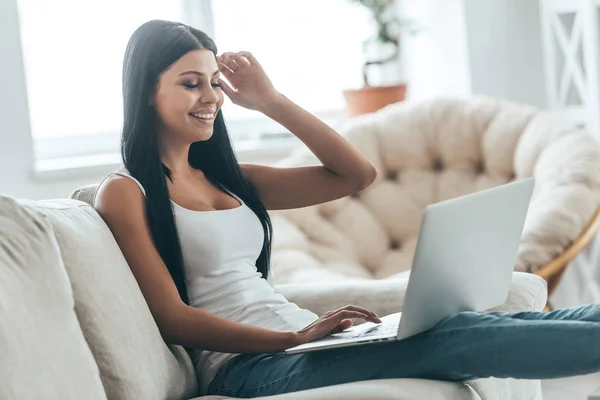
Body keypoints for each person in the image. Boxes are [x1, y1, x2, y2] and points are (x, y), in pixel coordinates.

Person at [95, 19, 600, 399]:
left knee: (466, 322)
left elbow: (355, 174)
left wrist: (270, 100)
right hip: (247, 365)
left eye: (214, 83)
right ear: (145, 91)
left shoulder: (230, 178)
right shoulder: (126, 192)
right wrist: (291, 336)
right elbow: (172, 317)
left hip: (303, 344)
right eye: (190, 83)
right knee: (458, 337)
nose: (211, 97)